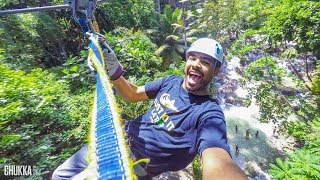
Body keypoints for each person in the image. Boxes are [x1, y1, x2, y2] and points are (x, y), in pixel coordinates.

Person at [52, 38, 246, 179]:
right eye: (192, 58)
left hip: (131, 167)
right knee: (59, 176)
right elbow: (133, 94)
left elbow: (217, 159)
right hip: (114, 137)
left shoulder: (209, 113)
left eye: (205, 62)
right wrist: (114, 71)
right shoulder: (170, 82)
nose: (195, 64)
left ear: (216, 71)